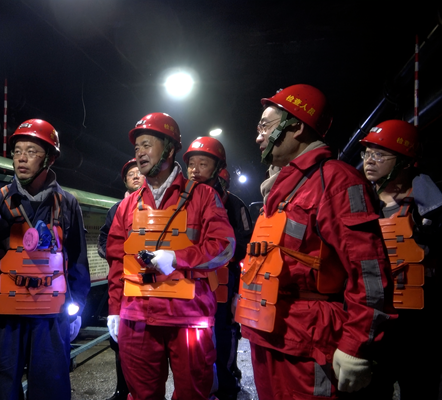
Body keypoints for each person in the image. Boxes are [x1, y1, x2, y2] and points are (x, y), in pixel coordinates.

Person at [234, 84, 396, 399]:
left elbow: (369, 272)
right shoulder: (278, 188)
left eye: (265, 127)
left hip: (308, 344)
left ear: (295, 126)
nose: (258, 137)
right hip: (268, 333)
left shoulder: (336, 180)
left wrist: (356, 346)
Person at [0, 119, 90, 400]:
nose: (21, 158)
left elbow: (76, 261)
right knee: (2, 388)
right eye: (17, 151)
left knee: (51, 389)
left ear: (49, 158)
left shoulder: (67, 204)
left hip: (51, 314)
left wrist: (78, 308)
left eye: (31, 151)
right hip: (5, 314)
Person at [106, 112, 235, 400]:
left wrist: (176, 258)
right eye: (136, 147)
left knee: (193, 394)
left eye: (147, 145)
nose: (139, 153)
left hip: (188, 317)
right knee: (142, 395)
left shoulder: (203, 196)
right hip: (137, 317)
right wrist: (114, 309)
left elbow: (224, 245)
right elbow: (116, 260)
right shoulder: (127, 205)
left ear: (169, 148)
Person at [360, 119, 442, 399]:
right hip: (374, 319)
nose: (369, 161)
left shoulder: (430, 208)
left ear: (406, 161)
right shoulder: (359, 203)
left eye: (380, 154)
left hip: (419, 326)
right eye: (367, 153)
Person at [183, 137, 252, 400]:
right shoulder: (181, 200)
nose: (195, 170)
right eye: (191, 164)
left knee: (224, 332)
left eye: (202, 164)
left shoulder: (234, 204)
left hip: (225, 280)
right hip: (192, 281)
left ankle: (227, 384)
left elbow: (243, 245)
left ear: (217, 168)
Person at [97, 158, 145, 400]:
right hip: (122, 282)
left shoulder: (157, 207)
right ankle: (122, 389)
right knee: (119, 338)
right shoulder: (116, 209)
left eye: (139, 172)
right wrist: (118, 257)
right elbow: (104, 241)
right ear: (125, 180)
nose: (135, 176)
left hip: (148, 283)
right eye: (130, 174)